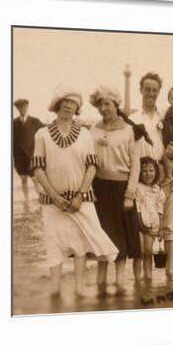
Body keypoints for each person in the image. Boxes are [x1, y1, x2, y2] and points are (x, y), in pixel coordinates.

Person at [31, 90, 118, 300]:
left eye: (72, 103)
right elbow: (38, 169)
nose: (68, 106)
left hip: (81, 200)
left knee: (80, 246)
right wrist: (54, 196)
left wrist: (80, 195)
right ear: (57, 105)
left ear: (77, 109)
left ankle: (79, 290)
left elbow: (91, 167)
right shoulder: (42, 134)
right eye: (65, 102)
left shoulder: (85, 134)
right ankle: (55, 292)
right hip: (53, 203)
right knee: (54, 245)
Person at [89, 86, 149, 295]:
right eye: (100, 104)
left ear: (116, 105)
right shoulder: (94, 130)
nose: (103, 108)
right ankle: (101, 283)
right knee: (102, 236)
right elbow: (89, 162)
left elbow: (136, 165)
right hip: (99, 188)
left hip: (122, 188)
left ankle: (120, 283)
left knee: (121, 238)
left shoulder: (129, 130)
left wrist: (129, 195)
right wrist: (89, 190)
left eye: (107, 104)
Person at [129, 73, 173, 276]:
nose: (150, 93)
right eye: (147, 89)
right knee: (144, 222)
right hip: (142, 173)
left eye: (154, 90)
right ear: (140, 90)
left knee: (170, 221)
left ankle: (169, 270)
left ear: (159, 92)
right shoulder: (133, 118)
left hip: (165, 170)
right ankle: (143, 275)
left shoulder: (166, 116)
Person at [135, 156, 166, 281]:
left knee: (148, 251)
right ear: (139, 173)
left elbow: (160, 210)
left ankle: (148, 276)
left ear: (156, 172)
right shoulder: (137, 187)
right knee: (139, 252)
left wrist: (161, 227)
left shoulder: (157, 189)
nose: (148, 174)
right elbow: (137, 208)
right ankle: (137, 278)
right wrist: (141, 225)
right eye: (145, 171)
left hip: (152, 223)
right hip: (140, 223)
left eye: (151, 170)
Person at [13, 98, 43, 202]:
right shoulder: (13, 123)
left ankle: (41, 198)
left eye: (24, 107)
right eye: (20, 107)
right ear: (17, 109)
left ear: (27, 107)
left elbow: (45, 133)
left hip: (32, 156)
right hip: (19, 158)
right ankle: (27, 201)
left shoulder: (34, 121)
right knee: (23, 179)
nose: (22, 109)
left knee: (35, 179)